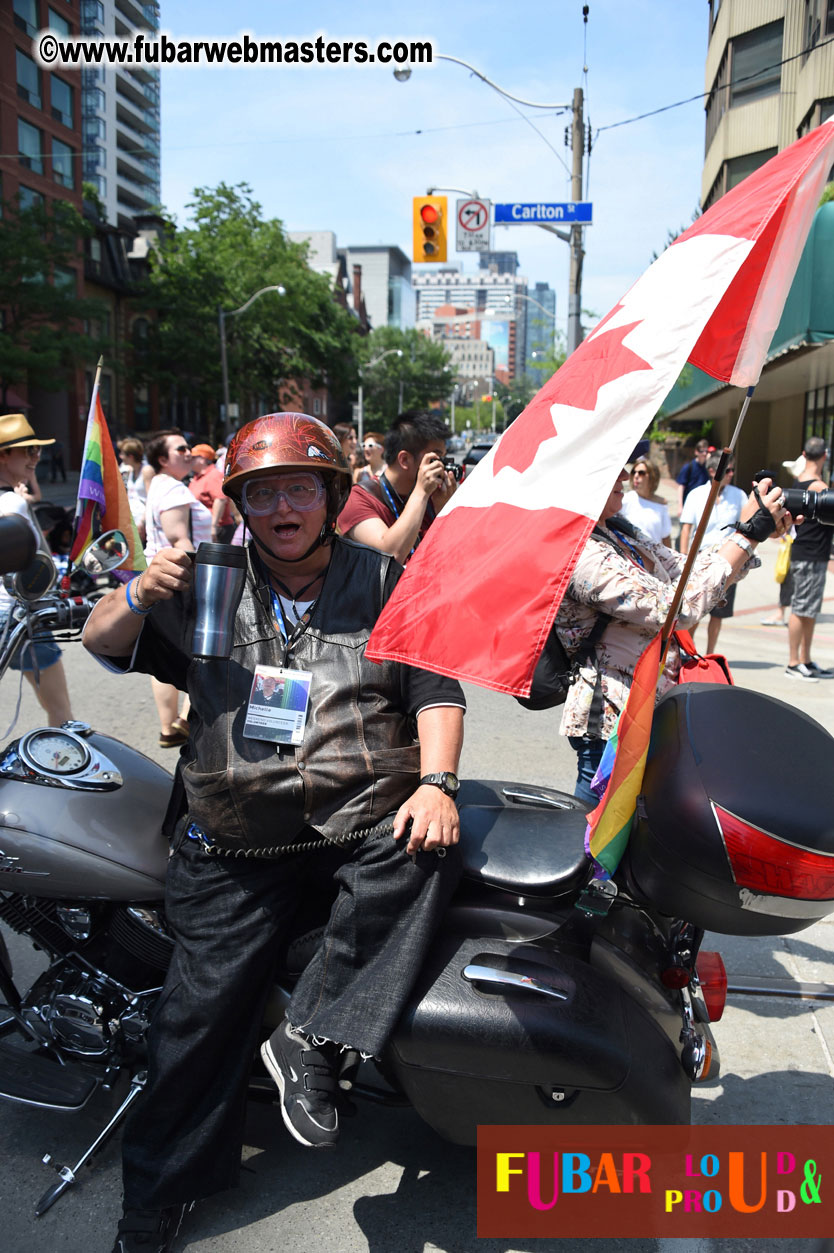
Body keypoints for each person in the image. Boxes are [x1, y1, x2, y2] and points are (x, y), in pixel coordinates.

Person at [83, 412, 465, 1253]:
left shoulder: (386, 579)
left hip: (358, 814)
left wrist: (438, 783)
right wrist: (137, 591)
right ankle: (159, 1195)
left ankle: (312, 1036)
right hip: (234, 834)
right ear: (243, 506)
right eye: (263, 493)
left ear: (332, 496)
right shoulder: (209, 581)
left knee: (429, 849)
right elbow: (99, 640)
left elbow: (437, 689)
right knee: (195, 1020)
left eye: (300, 487)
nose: (283, 506)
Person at [553, 464, 791, 805]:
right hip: (611, 720)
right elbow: (676, 607)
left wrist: (752, 535)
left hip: (651, 705)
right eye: (615, 468)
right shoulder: (581, 553)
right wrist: (747, 534)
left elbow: (689, 571)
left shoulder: (619, 530)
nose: (624, 477)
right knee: (597, 842)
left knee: (639, 838)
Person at [0, 413, 73, 725]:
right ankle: (63, 768)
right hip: (20, 618)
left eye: (37, 450)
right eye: (29, 450)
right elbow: (33, 568)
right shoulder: (12, 506)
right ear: (4, 454)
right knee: (61, 715)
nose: (36, 458)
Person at [144, 431, 212, 747]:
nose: (188, 452)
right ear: (162, 459)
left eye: (188, 447)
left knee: (166, 655)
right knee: (201, 653)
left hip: (163, 580)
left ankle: (171, 725)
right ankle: (182, 721)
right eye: (180, 448)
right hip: (180, 580)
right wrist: (198, 582)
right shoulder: (171, 487)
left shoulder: (159, 484)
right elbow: (179, 541)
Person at [337, 411, 457, 564]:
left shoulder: (432, 498)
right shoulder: (358, 498)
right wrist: (421, 493)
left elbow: (453, 555)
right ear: (405, 459)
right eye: (435, 457)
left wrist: (443, 509)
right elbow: (390, 554)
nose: (442, 465)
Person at [678, 452, 747, 653]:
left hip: (728, 559)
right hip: (701, 559)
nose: (731, 474)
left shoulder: (738, 495)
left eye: (733, 470)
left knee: (719, 613)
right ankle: (687, 651)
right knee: (695, 610)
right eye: (728, 471)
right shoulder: (697, 494)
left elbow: (745, 525)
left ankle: (710, 653)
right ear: (712, 471)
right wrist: (684, 560)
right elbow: (686, 530)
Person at [785, 436, 833, 681]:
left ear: (804, 454)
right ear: (824, 455)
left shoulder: (799, 481)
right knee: (801, 607)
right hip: (809, 553)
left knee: (809, 609)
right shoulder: (817, 486)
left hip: (810, 551)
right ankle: (794, 663)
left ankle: (805, 659)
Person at [619, 456, 672, 547]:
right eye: (633, 472)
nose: (636, 476)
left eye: (641, 473)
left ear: (652, 476)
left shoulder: (661, 505)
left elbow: (666, 537)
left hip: (655, 557)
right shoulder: (625, 499)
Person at [118, 438, 154, 545]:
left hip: (142, 521)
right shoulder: (129, 470)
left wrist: (142, 522)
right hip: (131, 519)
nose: (120, 456)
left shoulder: (147, 470)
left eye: (122, 454)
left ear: (131, 456)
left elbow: (150, 499)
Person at [675, 438, 710, 517]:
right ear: (696, 452)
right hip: (688, 503)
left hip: (702, 505)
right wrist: (680, 506)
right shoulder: (688, 467)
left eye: (706, 451)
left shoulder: (708, 468)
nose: (704, 454)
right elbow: (681, 487)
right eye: (702, 451)